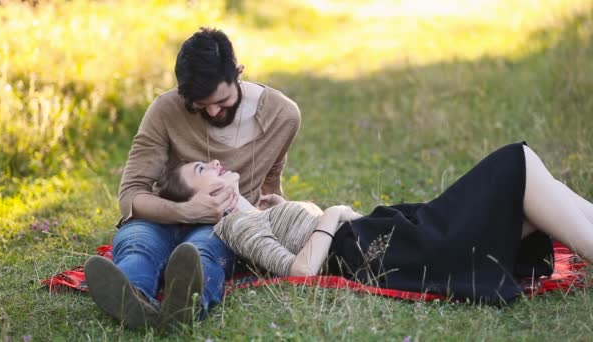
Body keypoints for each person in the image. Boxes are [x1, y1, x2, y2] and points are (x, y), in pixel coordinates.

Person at [157, 142, 593, 304]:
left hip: (388, 233)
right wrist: (330, 214)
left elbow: (295, 237)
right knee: (516, 163)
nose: (213, 164)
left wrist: (287, 208)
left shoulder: (252, 214)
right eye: (201, 171)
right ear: (200, 201)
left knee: (530, 181)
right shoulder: (233, 225)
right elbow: (301, 273)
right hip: (386, 249)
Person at [84, 27, 301, 329]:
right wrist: (182, 211)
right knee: (137, 243)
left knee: (204, 253)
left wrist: (285, 222)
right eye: (200, 105)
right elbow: (130, 195)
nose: (212, 111)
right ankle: (133, 300)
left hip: (226, 224)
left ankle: (184, 309)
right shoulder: (165, 109)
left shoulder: (282, 116)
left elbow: (271, 185)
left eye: (221, 100)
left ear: (237, 73)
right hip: (160, 215)